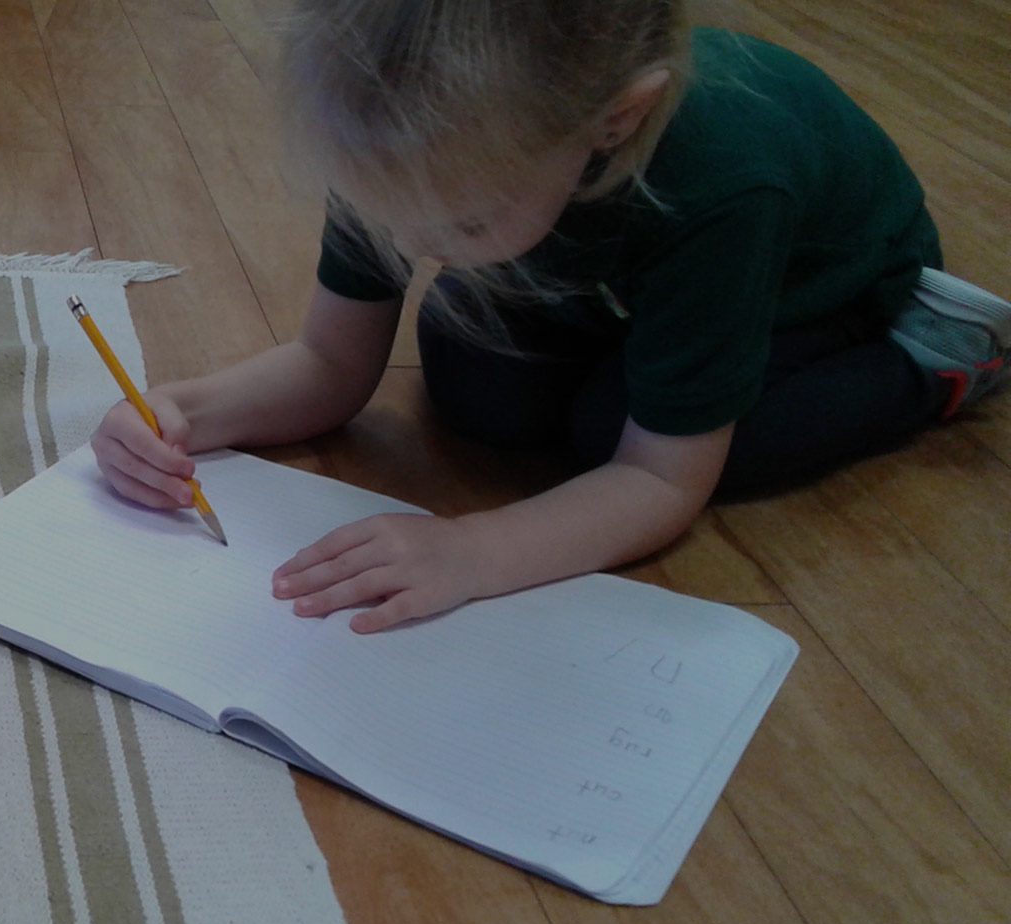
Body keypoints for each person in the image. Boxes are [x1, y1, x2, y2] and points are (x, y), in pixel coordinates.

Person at [89, 0, 1011, 633]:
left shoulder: (722, 184)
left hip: (821, 293)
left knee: (621, 428)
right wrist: (185, 413)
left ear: (616, 120)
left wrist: (471, 550)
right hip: (609, 273)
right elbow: (331, 364)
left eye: (459, 223)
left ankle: (935, 364)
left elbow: (659, 483)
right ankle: (583, 306)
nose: (414, 241)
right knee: (468, 370)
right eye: (385, 215)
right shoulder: (405, 135)